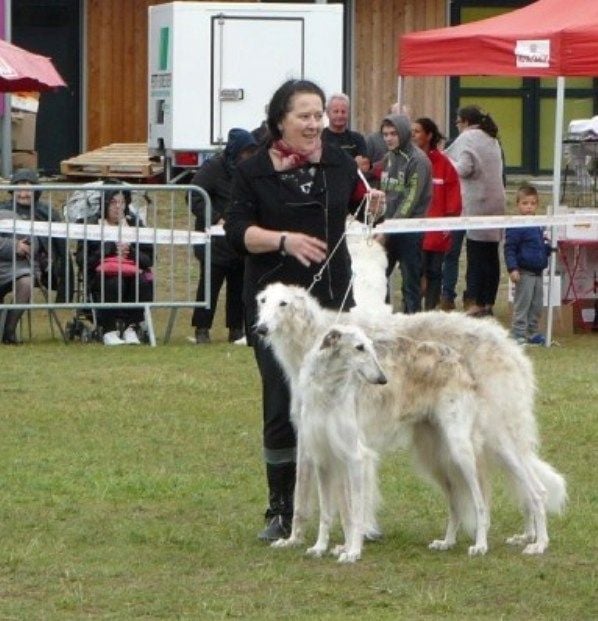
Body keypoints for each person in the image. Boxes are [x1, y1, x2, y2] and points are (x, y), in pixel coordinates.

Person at [224, 78, 385, 541]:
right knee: (283, 406)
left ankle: (355, 513)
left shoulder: (338, 162)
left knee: (344, 408)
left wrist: (373, 203)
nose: (315, 124)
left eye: (319, 115)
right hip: (279, 312)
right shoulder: (253, 170)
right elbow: (236, 232)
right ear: (281, 120)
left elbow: (360, 209)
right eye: (305, 116)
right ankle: (282, 510)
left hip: (333, 304)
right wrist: (282, 240)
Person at [190, 128, 258, 344]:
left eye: (251, 152)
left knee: (238, 285)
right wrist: (216, 218)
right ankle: (202, 328)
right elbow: (194, 196)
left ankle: (236, 329)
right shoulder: (213, 168)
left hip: (237, 240)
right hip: (213, 240)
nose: (248, 156)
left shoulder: (247, 172)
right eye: (246, 152)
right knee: (209, 285)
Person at [445, 105, 506, 317]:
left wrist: (446, 162)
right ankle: (488, 302)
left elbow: (463, 168)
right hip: (496, 202)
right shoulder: (492, 138)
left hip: (477, 203)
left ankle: (476, 302)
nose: (457, 127)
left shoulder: (468, 137)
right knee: (491, 255)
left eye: (457, 123)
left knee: (476, 255)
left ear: (465, 122)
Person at [76, 188, 154, 346]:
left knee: (142, 282)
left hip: (132, 271)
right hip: (101, 275)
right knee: (114, 281)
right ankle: (109, 330)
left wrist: (131, 252)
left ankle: (131, 328)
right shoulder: (91, 224)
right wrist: (107, 250)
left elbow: (148, 260)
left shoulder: (135, 224)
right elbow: (82, 260)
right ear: (104, 204)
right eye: (113, 202)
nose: (118, 207)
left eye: (122, 202)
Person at [373, 113, 432, 314]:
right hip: (388, 227)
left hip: (409, 230)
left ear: (404, 134)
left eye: (393, 134)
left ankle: (413, 323)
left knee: (410, 284)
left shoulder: (418, 160)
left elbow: (409, 201)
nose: (388, 138)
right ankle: (383, 319)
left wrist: (387, 231)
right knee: (378, 280)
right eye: (385, 134)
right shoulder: (388, 158)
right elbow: (385, 192)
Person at [0, 168, 74, 304]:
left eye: (28, 190)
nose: (23, 194)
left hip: (35, 266)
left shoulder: (48, 213)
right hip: (3, 262)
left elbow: (63, 251)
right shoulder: (2, 209)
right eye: (19, 190)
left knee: (25, 282)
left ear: (36, 191)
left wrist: (65, 291)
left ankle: (8, 324)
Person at [411, 117, 462, 310]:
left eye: (417, 131)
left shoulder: (443, 163)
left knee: (434, 272)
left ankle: (430, 310)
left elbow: (453, 194)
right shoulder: (407, 160)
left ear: (429, 135)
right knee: (414, 271)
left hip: (436, 230)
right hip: (414, 228)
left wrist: (449, 222)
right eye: (412, 131)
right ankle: (412, 311)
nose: (413, 135)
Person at [504, 184, 552, 346]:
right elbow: (509, 248)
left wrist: (548, 249)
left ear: (537, 205)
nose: (529, 207)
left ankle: (532, 332)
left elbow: (540, 245)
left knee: (537, 304)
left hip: (538, 272)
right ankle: (518, 333)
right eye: (525, 203)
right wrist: (512, 268)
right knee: (522, 304)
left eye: (532, 203)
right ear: (518, 204)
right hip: (524, 272)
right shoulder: (516, 226)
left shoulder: (538, 225)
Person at [321, 93, 369, 172]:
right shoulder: (320, 138)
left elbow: (364, 167)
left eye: (343, 112)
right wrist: (353, 163)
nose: (340, 115)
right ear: (327, 113)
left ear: (348, 113)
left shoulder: (357, 138)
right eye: (336, 111)